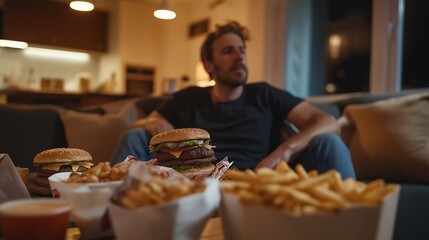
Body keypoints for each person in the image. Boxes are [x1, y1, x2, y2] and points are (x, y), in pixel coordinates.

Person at [111, 21, 356, 179]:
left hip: (254, 180)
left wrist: (285, 149)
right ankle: (111, 216)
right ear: (210, 65)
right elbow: (142, 126)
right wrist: (150, 121)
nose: (239, 57)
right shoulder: (189, 98)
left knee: (329, 142)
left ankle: (353, 225)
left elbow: (328, 121)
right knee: (132, 137)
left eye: (242, 50)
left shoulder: (264, 94)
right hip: (193, 183)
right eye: (228, 51)